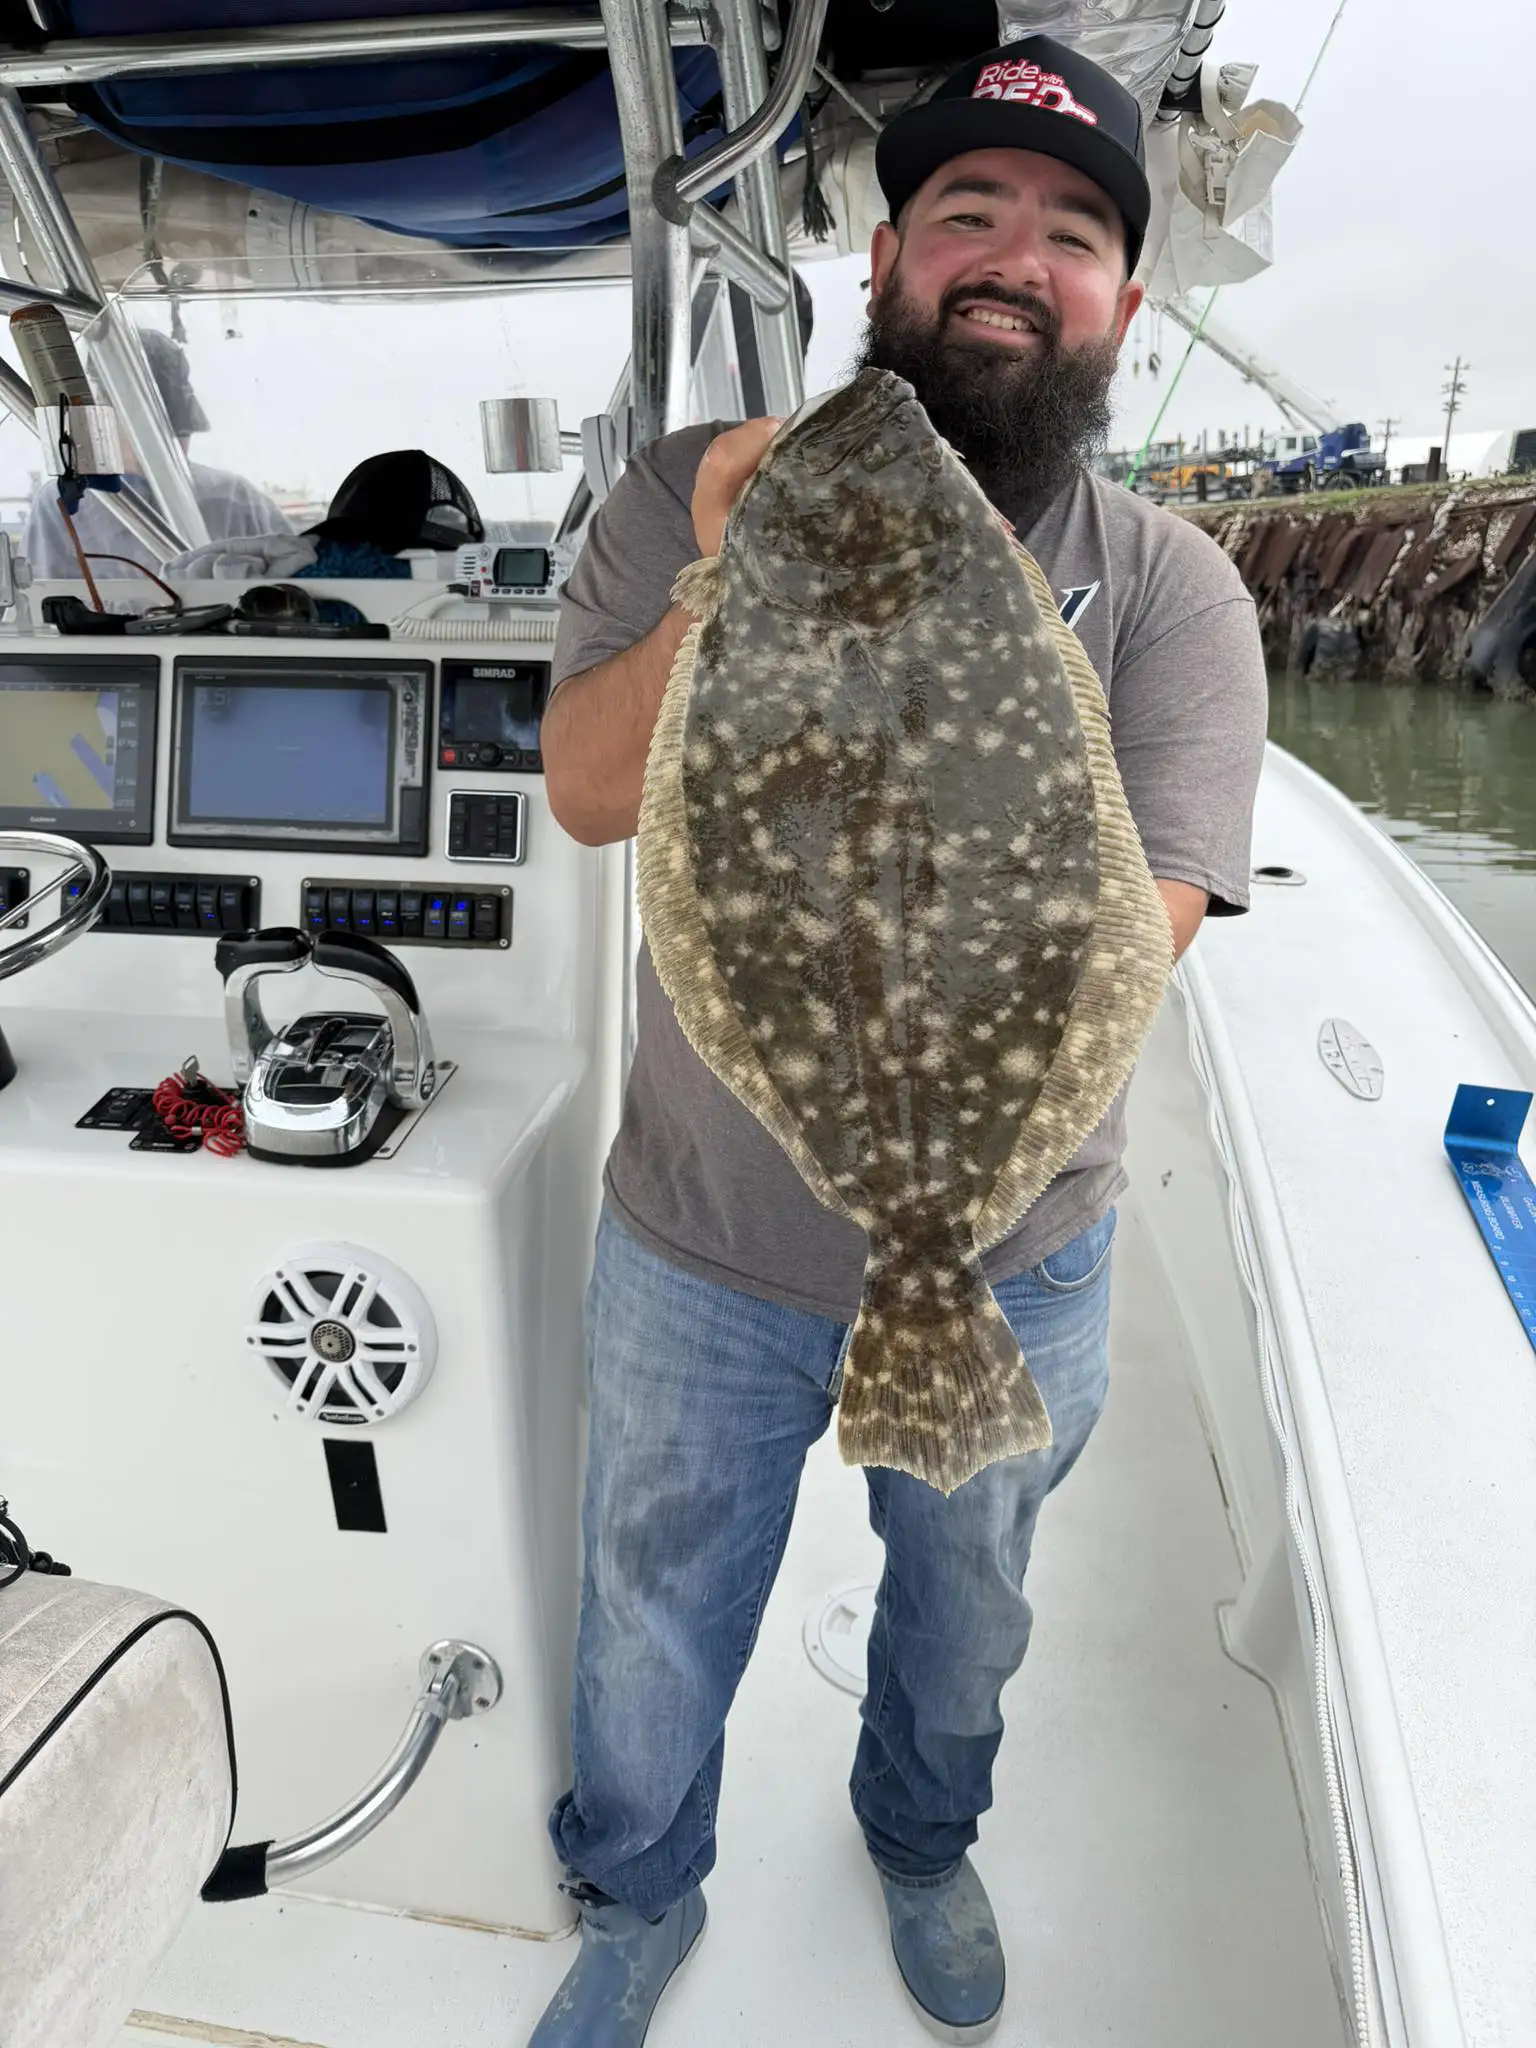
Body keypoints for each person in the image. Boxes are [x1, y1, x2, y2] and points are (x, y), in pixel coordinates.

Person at [535, 33, 1268, 2046]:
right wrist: (730, 560)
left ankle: (920, 1835)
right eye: (967, 213)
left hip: (1015, 1259)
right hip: (701, 1232)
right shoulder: (694, 501)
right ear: (882, 260)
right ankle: (632, 1889)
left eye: (1071, 231)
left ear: (1122, 299)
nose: (1014, 256)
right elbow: (595, 797)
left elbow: (1162, 920)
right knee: (648, 1622)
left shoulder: (1174, 592)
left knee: (966, 1625)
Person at [20, 327, 291, 578]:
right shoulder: (63, 506)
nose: (174, 445)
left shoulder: (236, 498)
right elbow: (40, 610)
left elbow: (300, 584)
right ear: (102, 407)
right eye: (149, 430)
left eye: (180, 430)